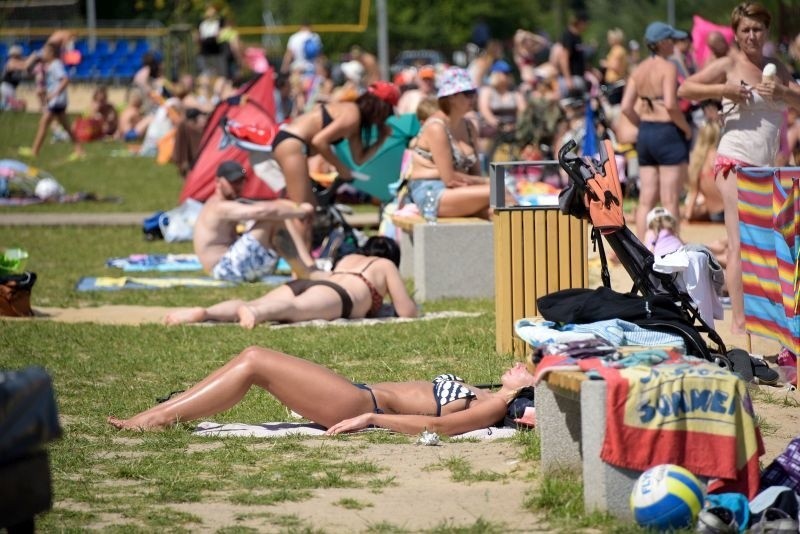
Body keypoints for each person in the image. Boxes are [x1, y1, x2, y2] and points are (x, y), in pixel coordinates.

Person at [677, 1, 800, 335]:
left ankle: (767, 320)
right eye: (745, 29)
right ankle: (740, 326)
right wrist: (723, 90)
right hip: (733, 161)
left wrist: (783, 92)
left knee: (772, 244)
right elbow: (684, 89)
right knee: (738, 243)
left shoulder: (776, 67)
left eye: (757, 29)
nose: (751, 35)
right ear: (736, 33)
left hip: (767, 168)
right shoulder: (729, 63)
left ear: (766, 31)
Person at [107, 346, 536, 434]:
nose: (521, 364)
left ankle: (157, 419)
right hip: (355, 393)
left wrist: (371, 418)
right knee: (247, 361)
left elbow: (437, 428)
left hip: (357, 403)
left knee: (255, 360)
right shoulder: (487, 393)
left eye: (527, 370)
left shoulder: (492, 404)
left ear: (524, 394)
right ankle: (165, 411)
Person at [164, 236, 417, 328]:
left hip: (315, 284)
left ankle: (207, 312)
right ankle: (255, 312)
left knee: (259, 301)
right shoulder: (385, 266)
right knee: (294, 311)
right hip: (339, 296)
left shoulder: (350, 257)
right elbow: (406, 311)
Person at [271, 81, 400, 208]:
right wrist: (340, 167)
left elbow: (359, 160)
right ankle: (266, 222)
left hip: (293, 145)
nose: (385, 119)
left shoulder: (356, 123)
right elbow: (319, 141)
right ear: (380, 108)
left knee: (310, 210)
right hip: (292, 142)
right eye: (387, 114)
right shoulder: (352, 113)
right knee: (303, 210)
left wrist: (381, 139)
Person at [621, 21, 693, 240]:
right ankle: (671, 249)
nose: (675, 44)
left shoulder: (638, 69)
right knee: (670, 198)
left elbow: (625, 106)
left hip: (646, 133)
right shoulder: (669, 67)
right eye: (672, 40)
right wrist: (686, 128)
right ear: (662, 43)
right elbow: (671, 104)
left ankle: (643, 250)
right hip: (667, 133)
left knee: (646, 199)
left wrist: (641, 124)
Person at [194, 160, 315, 283]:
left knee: (278, 214)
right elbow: (262, 212)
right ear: (218, 182)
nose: (238, 186)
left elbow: (269, 205)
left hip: (230, 265)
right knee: (274, 219)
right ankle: (306, 269)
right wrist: (302, 212)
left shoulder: (230, 203)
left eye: (241, 181)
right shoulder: (218, 206)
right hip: (224, 269)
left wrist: (296, 207)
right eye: (233, 182)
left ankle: (307, 267)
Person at [405, 67, 493, 220]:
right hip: (431, 192)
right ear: (451, 97)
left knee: (497, 212)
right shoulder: (436, 127)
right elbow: (450, 179)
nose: (473, 98)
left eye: (474, 93)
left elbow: (475, 172)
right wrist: (487, 182)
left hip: (459, 191)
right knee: (500, 192)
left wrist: (481, 182)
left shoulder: (468, 126)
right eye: (467, 94)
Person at [18, 42, 84, 159]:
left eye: (45, 52)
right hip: (58, 101)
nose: (43, 54)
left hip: (56, 101)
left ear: (52, 53)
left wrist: (54, 94)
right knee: (66, 127)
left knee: (43, 124)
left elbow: (65, 80)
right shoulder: (52, 65)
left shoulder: (55, 65)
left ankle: (34, 151)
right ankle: (79, 151)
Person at [684, 100, 724, 222]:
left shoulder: (696, 160)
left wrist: (688, 215)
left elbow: (693, 192)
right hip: (724, 211)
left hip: (713, 212)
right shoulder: (716, 156)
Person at [1, 45, 28, 111]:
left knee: (10, 106)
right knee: (16, 107)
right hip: (7, 88)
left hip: (11, 88)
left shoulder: (16, 61)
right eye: (19, 54)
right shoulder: (11, 62)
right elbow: (23, 66)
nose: (20, 55)